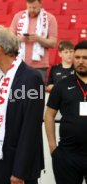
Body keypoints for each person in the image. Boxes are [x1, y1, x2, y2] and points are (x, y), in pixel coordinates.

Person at [0, 25, 45, 184]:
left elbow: (31, 128)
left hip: (16, 169)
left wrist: (20, 172)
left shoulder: (31, 78)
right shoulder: (3, 76)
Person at [45, 40, 87, 184]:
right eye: (77, 57)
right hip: (67, 156)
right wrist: (53, 147)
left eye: (85, 58)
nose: (81, 61)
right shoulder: (62, 84)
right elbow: (49, 114)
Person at [10, 0, 57, 81]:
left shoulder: (50, 18)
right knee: (19, 92)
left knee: (37, 92)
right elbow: (9, 39)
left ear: (40, 4)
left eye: (34, 8)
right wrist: (20, 39)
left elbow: (53, 43)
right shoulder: (18, 16)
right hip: (19, 64)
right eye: (29, 7)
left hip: (40, 66)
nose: (32, 10)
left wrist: (39, 39)